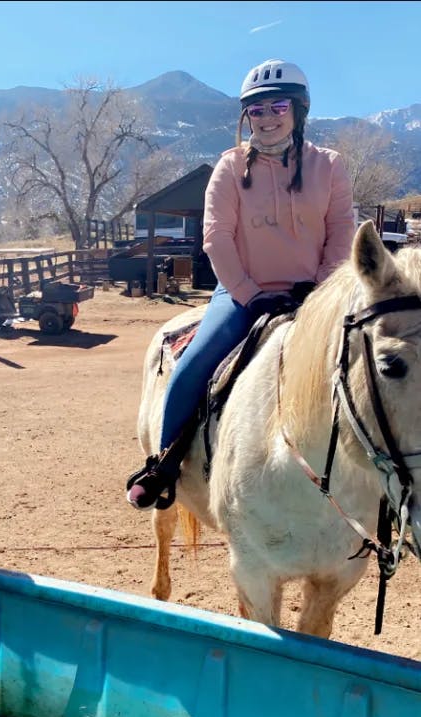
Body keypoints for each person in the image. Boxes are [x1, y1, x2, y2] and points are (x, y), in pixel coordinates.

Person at [127, 58, 355, 510]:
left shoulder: (329, 166)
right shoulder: (229, 168)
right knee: (196, 363)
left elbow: (342, 230)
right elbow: (216, 238)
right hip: (242, 294)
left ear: (299, 111)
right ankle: (165, 463)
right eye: (257, 110)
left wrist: (322, 291)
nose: (267, 118)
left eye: (278, 107)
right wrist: (250, 294)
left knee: (372, 360)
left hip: (314, 296)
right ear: (246, 116)